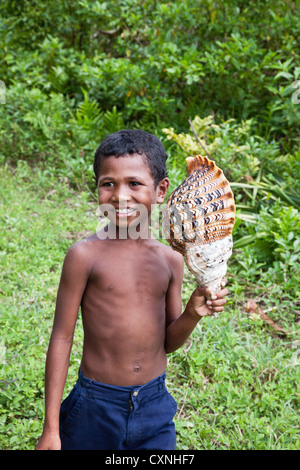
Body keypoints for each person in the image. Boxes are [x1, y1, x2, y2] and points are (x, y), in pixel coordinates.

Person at [35, 129, 229, 450]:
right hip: (94, 406)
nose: (120, 196)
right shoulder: (84, 256)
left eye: (134, 183)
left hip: (154, 406)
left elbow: (167, 342)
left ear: (161, 189)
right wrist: (51, 429)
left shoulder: (171, 260)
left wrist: (193, 314)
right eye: (108, 183)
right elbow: (62, 337)